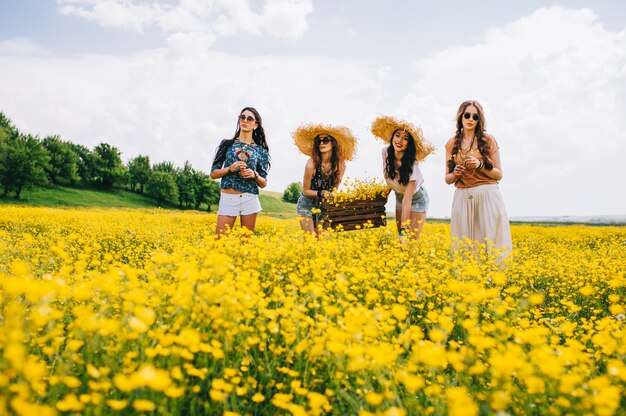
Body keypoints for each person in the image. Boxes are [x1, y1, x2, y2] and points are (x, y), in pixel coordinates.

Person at [444, 100, 512, 257]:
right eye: (467, 115)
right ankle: (467, 278)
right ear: (461, 117)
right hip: (462, 196)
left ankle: (494, 278)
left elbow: (499, 174)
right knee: (464, 244)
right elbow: (447, 179)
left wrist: (480, 165)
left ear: (479, 119)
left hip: (487, 195)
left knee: (491, 243)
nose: (470, 119)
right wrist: (455, 174)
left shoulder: (488, 140)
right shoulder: (451, 143)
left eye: (475, 117)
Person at [371, 115, 434, 242]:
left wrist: (403, 230)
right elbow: (390, 179)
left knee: (409, 240)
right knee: (401, 244)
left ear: (409, 144)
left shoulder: (412, 164)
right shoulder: (385, 153)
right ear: (392, 137)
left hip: (416, 199)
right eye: (397, 135)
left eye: (405, 138)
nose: (399, 140)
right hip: (399, 197)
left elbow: (408, 199)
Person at [210, 107, 270, 237]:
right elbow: (213, 173)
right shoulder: (226, 144)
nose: (245, 120)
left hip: (250, 198)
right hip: (228, 197)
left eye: (250, 118)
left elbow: (263, 183)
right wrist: (229, 169)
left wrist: (254, 175)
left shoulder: (262, 151)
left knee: (246, 245)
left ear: (255, 125)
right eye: (242, 117)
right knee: (219, 242)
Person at [292, 123, 357, 234]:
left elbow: (334, 189)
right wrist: (323, 193)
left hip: (324, 206)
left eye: (325, 140)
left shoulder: (340, 165)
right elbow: (306, 191)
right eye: (319, 141)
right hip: (306, 204)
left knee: (321, 243)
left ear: (333, 144)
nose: (321, 143)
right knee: (310, 240)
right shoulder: (311, 164)